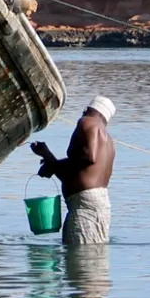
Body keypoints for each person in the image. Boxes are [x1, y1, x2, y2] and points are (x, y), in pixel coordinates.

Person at [30, 96, 116, 245]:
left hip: (84, 206)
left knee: (81, 257)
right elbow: (80, 171)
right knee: (94, 258)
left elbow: (89, 157)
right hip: (100, 204)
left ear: (87, 109)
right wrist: (50, 160)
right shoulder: (109, 141)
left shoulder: (88, 121)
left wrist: (53, 164)